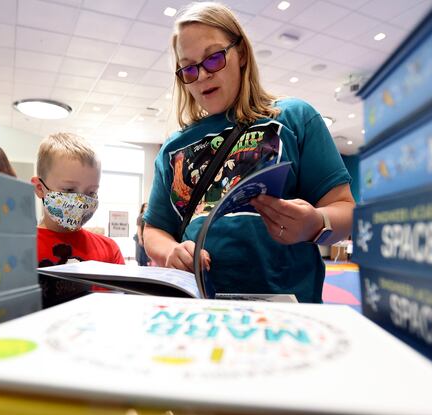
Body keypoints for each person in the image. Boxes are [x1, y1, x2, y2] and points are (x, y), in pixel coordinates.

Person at [142, 2, 354, 303]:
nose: (201, 75)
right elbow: (154, 231)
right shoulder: (172, 148)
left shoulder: (294, 117)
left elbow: (345, 210)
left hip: (287, 309)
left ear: (241, 53)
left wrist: (315, 223)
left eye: (214, 58)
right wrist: (170, 252)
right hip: (199, 306)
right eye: (189, 68)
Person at [31, 132, 124, 307]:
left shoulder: (109, 250)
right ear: (39, 188)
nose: (81, 202)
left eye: (91, 193)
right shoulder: (20, 249)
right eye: (69, 190)